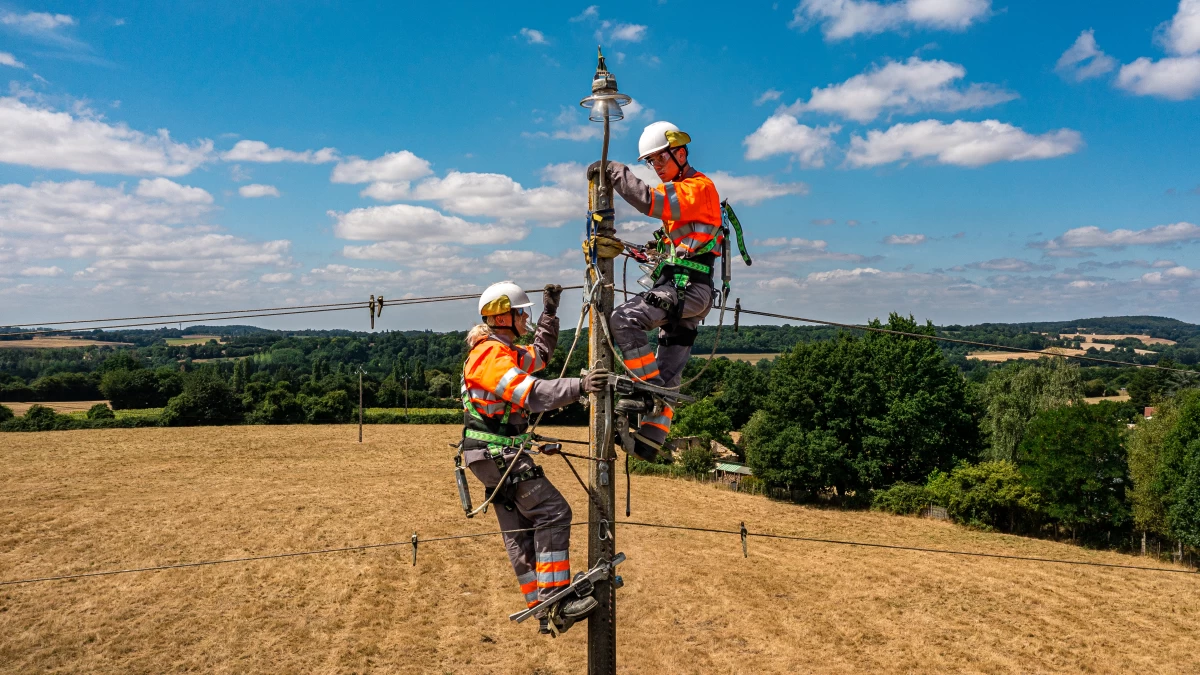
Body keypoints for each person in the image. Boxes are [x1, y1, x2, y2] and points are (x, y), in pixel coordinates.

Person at [460, 281, 609, 634]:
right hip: (497, 452)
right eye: (521, 314)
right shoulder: (490, 357)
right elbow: (531, 393)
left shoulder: (505, 351)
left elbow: (540, 356)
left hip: (489, 454)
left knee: (520, 530)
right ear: (502, 317)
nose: (525, 320)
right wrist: (580, 386)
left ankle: (543, 607)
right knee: (553, 512)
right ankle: (556, 597)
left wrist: (550, 314)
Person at [587, 121, 723, 461]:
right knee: (668, 370)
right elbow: (675, 249)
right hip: (691, 290)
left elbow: (650, 200)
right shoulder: (688, 196)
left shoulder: (697, 187)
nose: (655, 167)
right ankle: (651, 438)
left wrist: (615, 172)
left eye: (659, 159)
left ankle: (644, 394)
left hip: (686, 288)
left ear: (679, 153)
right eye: (650, 163)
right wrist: (624, 248)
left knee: (624, 319)